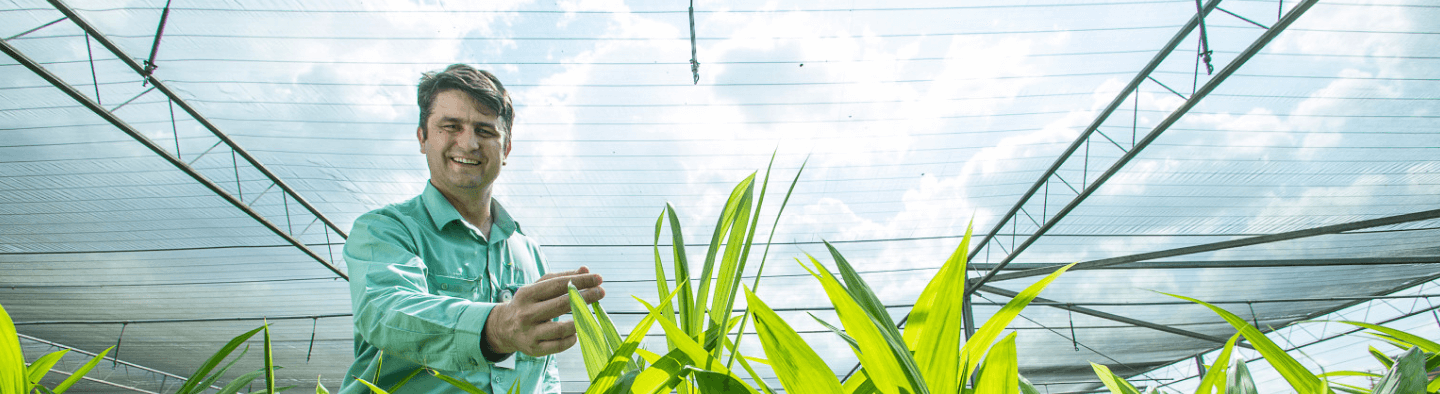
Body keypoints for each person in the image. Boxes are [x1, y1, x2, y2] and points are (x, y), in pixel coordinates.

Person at [340, 64, 605, 394]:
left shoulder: (528, 251)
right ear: (422, 138)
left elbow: (544, 372)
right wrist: (496, 327)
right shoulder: (384, 230)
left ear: (506, 149)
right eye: (451, 127)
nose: (468, 144)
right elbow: (387, 312)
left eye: (485, 131)